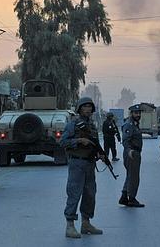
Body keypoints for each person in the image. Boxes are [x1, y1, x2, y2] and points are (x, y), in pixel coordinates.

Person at [60, 97, 104, 238]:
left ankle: (86, 223)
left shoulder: (91, 126)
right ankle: (70, 225)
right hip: (77, 163)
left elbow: (94, 144)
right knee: (74, 193)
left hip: (90, 163)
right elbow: (63, 142)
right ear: (79, 109)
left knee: (90, 194)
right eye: (85, 106)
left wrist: (99, 153)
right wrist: (79, 140)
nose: (88, 109)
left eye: (90, 107)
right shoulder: (73, 125)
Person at [119, 104, 145, 208]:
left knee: (130, 175)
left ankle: (124, 197)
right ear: (131, 113)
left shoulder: (134, 124)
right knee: (134, 177)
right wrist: (129, 150)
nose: (138, 114)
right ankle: (132, 199)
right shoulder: (129, 124)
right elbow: (125, 140)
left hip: (135, 152)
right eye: (136, 113)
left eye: (139, 113)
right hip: (132, 153)